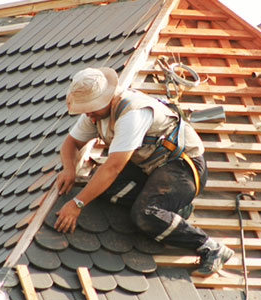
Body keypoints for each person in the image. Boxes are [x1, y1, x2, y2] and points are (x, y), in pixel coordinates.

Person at [53, 67, 234, 275]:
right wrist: (69, 168)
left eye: (91, 107)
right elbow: (71, 143)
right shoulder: (96, 114)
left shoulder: (132, 113)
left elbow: (113, 167)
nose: (88, 113)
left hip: (183, 166)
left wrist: (77, 204)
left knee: (145, 214)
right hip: (148, 166)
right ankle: (172, 208)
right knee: (99, 186)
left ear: (106, 98)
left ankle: (210, 247)